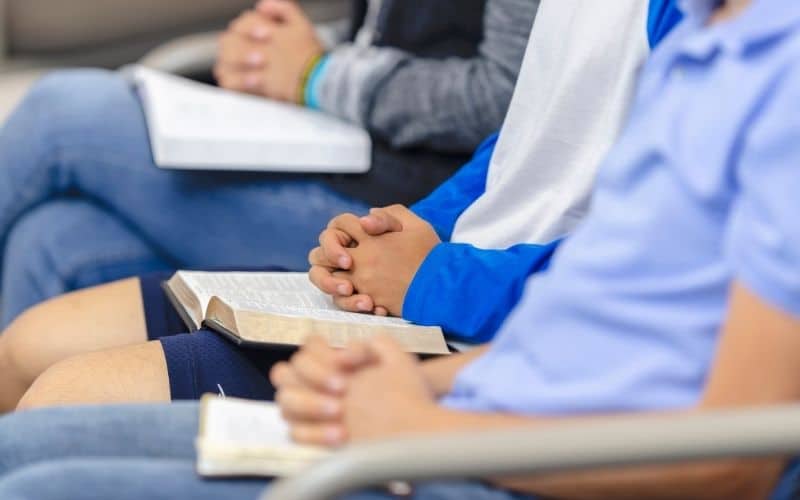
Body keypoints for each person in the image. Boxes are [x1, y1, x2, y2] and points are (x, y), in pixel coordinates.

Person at [1, 0, 800, 498]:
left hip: (476, 383)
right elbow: (531, 148)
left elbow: (733, 453)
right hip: (456, 361)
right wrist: (414, 241)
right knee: (52, 268)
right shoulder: (709, 43)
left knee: (69, 116)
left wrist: (421, 393)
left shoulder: (768, 73)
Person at [0, 0, 538, 327]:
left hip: (399, 210)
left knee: (63, 113)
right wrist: (275, 56)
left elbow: (512, 98)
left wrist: (317, 74)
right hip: (336, 150)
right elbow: (405, 42)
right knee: (53, 238)